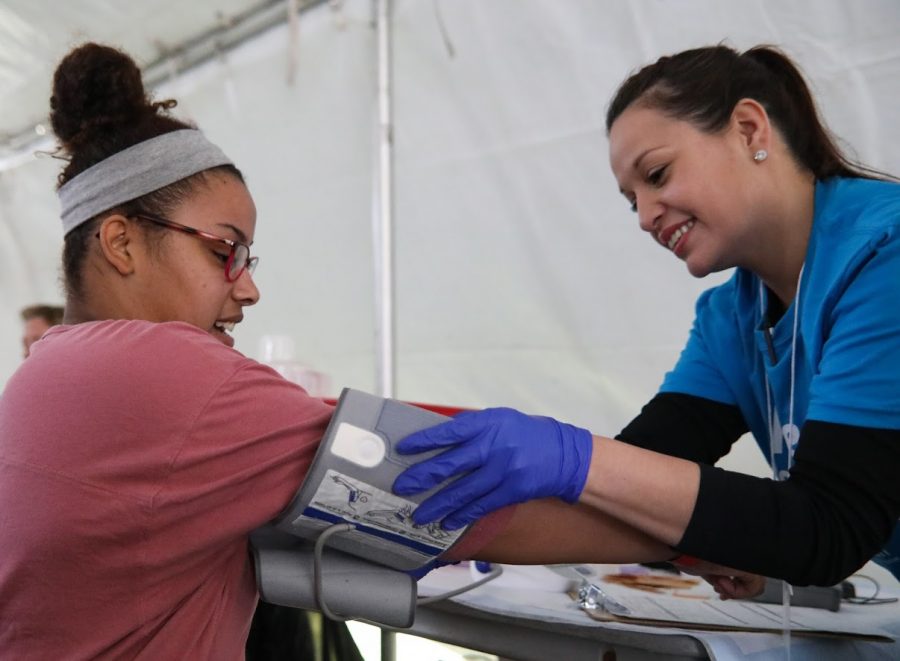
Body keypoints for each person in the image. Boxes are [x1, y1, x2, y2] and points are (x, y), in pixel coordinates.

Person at [1, 41, 677, 661]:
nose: (249, 286)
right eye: (224, 251)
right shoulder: (165, 370)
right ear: (120, 243)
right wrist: (683, 534)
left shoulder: (44, 374)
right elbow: (448, 497)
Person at [393, 44, 900, 598]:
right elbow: (646, 469)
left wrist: (574, 457)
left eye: (656, 174)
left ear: (750, 131)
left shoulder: (885, 254)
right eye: (630, 199)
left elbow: (828, 529)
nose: (644, 216)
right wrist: (410, 532)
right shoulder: (731, 316)